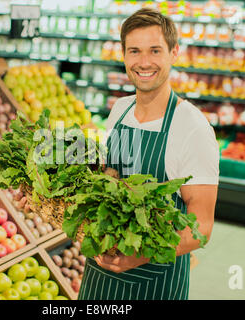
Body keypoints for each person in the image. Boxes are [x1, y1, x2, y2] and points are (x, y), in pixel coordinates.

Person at [77, 7, 219, 300]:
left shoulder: (192, 127)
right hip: (98, 279)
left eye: (155, 51)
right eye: (134, 51)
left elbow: (202, 228)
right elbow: (110, 181)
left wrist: (141, 254)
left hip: (155, 283)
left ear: (174, 53)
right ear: (124, 55)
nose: (144, 62)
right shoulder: (119, 110)